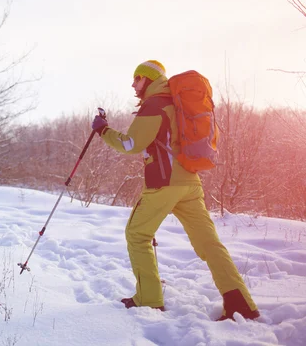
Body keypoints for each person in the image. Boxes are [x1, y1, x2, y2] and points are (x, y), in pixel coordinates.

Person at [91, 60, 259, 321]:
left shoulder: (154, 105)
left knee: (137, 234)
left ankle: (149, 299)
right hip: (190, 183)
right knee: (209, 244)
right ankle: (240, 303)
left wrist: (103, 130)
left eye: (137, 78)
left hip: (164, 184)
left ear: (148, 79)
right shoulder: (177, 104)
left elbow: (131, 144)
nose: (133, 84)